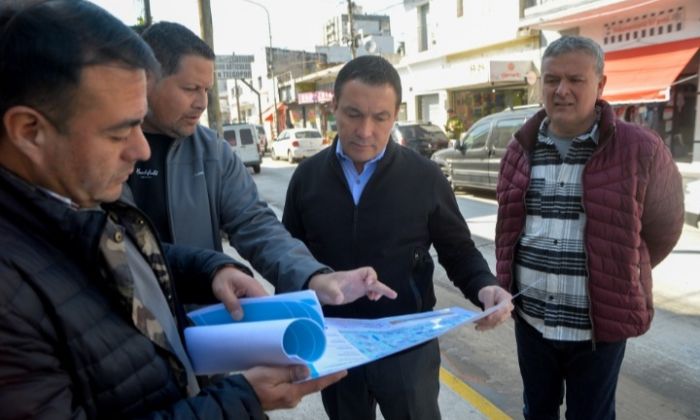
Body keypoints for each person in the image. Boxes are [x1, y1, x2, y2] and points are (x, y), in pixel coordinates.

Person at [0, 1, 346, 418]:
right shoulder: (14, 289)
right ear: (28, 131)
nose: (139, 151)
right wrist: (241, 401)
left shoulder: (83, 193)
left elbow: (138, 252)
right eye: (118, 133)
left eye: (207, 90)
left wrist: (214, 268)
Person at [282, 55, 514, 420]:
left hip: (408, 345)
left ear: (395, 114)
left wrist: (484, 286)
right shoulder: (307, 178)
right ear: (334, 108)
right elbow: (288, 257)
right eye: (353, 114)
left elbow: (458, 250)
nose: (365, 131)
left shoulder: (425, 177)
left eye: (380, 117)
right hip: (335, 344)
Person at [127, 21, 395, 313]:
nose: (202, 102)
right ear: (146, 79)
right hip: (124, 325)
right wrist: (212, 269)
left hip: (200, 327)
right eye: (191, 88)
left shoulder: (212, 152)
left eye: (207, 90)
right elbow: (118, 241)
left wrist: (315, 277)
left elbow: (255, 225)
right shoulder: (103, 147)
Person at [495, 35, 684, 420]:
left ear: (600, 85)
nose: (561, 90)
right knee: (537, 412)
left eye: (575, 80)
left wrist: (622, 270)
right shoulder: (520, 148)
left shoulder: (640, 150)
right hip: (532, 321)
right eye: (551, 79)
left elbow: (662, 230)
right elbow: (508, 228)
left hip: (598, 329)